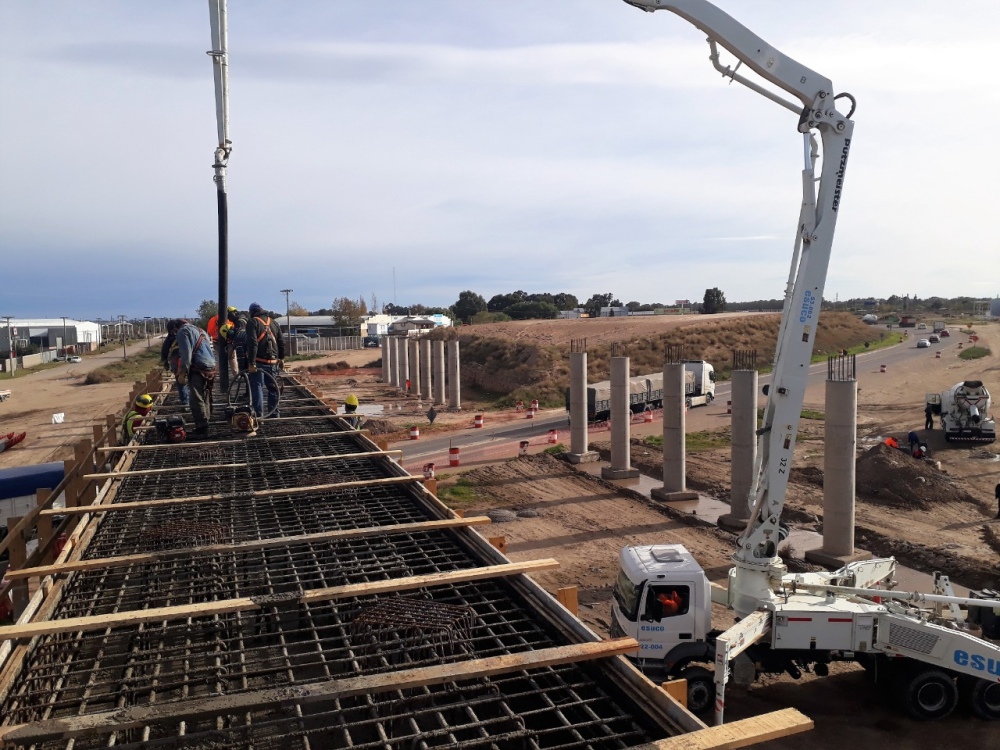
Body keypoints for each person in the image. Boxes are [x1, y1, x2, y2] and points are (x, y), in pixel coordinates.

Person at [174, 319, 217, 437]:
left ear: (176, 328)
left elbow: (186, 355)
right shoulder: (200, 330)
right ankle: (206, 422)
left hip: (199, 367)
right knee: (206, 396)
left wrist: (182, 373)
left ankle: (202, 428)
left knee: (196, 398)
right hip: (211, 366)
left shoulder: (182, 332)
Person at [245, 302, 285, 418]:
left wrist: (251, 363)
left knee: (257, 387)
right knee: (273, 388)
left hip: (258, 361)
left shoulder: (253, 322)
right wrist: (281, 358)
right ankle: (274, 414)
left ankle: (258, 415)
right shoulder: (273, 322)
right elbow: (281, 342)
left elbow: (252, 343)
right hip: (272, 362)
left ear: (252, 312)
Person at [161, 321, 188, 406]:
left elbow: (164, 351)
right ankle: (190, 400)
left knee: (181, 380)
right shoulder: (187, 334)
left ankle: (185, 401)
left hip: (177, 360)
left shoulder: (171, 337)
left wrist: (165, 362)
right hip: (189, 359)